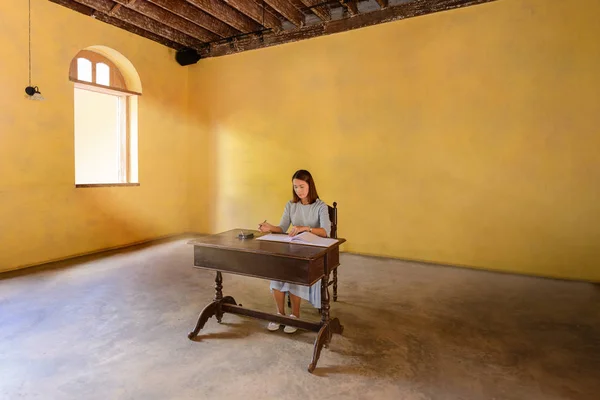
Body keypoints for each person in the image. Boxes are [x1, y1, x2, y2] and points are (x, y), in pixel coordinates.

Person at [258, 169, 331, 333]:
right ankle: (280, 314)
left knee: (294, 274)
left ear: (310, 186)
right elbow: (282, 228)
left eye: (302, 186)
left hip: (313, 252)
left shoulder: (320, 206)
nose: (298, 190)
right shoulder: (291, 205)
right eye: (295, 187)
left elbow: (326, 231)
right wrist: (270, 227)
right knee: (276, 273)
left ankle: (295, 316)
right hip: (294, 248)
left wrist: (306, 228)